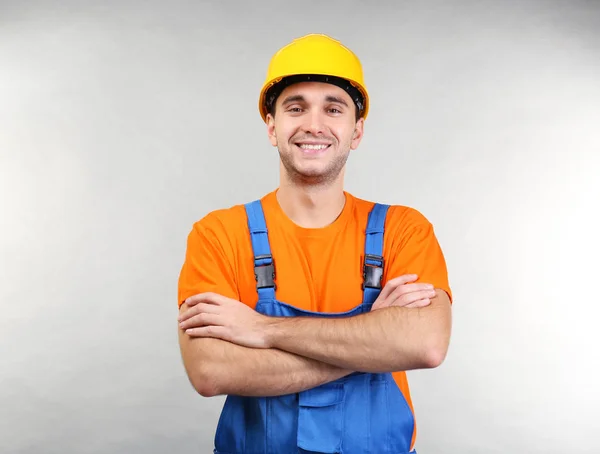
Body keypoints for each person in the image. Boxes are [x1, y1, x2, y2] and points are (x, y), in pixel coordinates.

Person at [176, 33, 453, 454]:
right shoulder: (218, 234)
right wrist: (372, 339)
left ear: (356, 131)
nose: (313, 124)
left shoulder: (405, 230)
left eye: (333, 108)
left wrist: (261, 330)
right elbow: (210, 371)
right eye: (295, 107)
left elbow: (426, 344)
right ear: (272, 127)